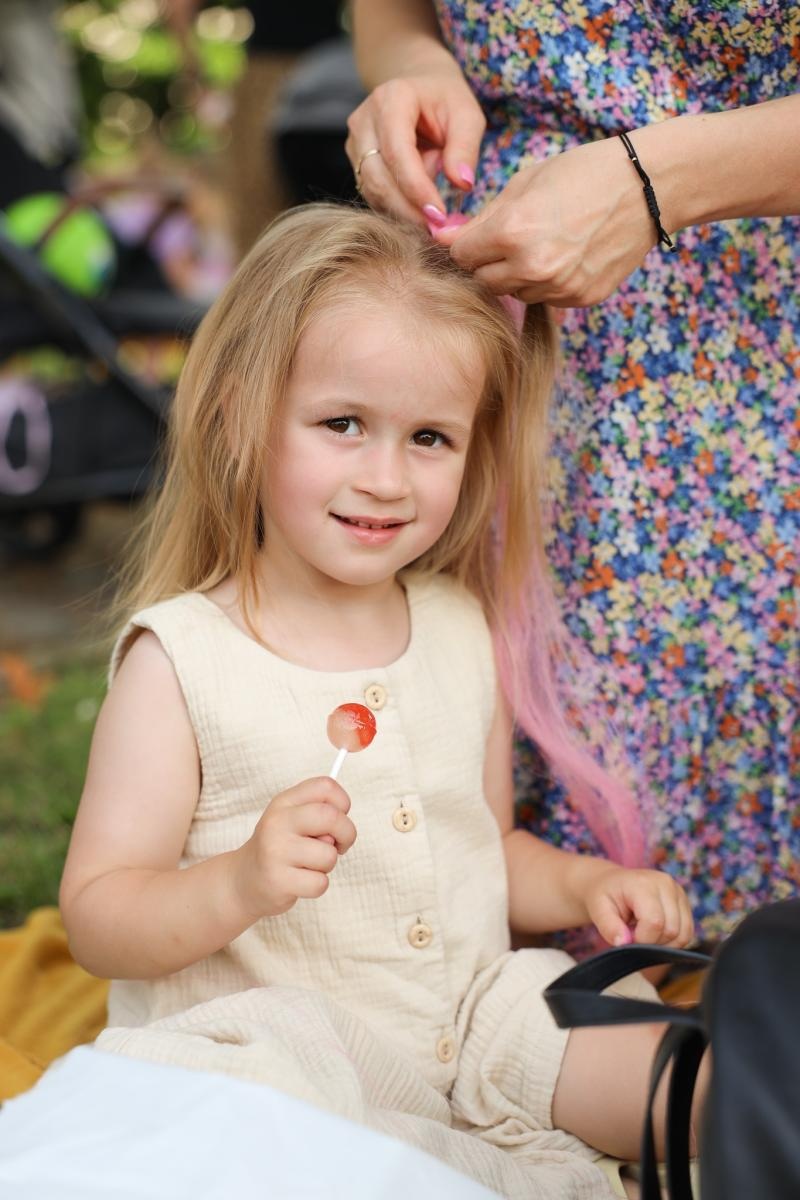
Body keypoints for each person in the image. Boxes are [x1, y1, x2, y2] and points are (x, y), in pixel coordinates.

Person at [59, 203, 699, 1200]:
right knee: (267, 1130)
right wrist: (238, 883)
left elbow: (480, 847)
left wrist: (576, 887)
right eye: (342, 424)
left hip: (473, 1020)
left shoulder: (453, 628)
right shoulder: (184, 660)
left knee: (664, 1066)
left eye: (430, 438)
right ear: (239, 411)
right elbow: (98, 914)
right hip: (292, 1041)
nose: (386, 477)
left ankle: (748, 1120)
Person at [346, 1, 800, 950]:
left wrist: (654, 182)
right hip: (521, 330)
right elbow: (392, 14)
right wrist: (420, 68)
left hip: (765, 336)